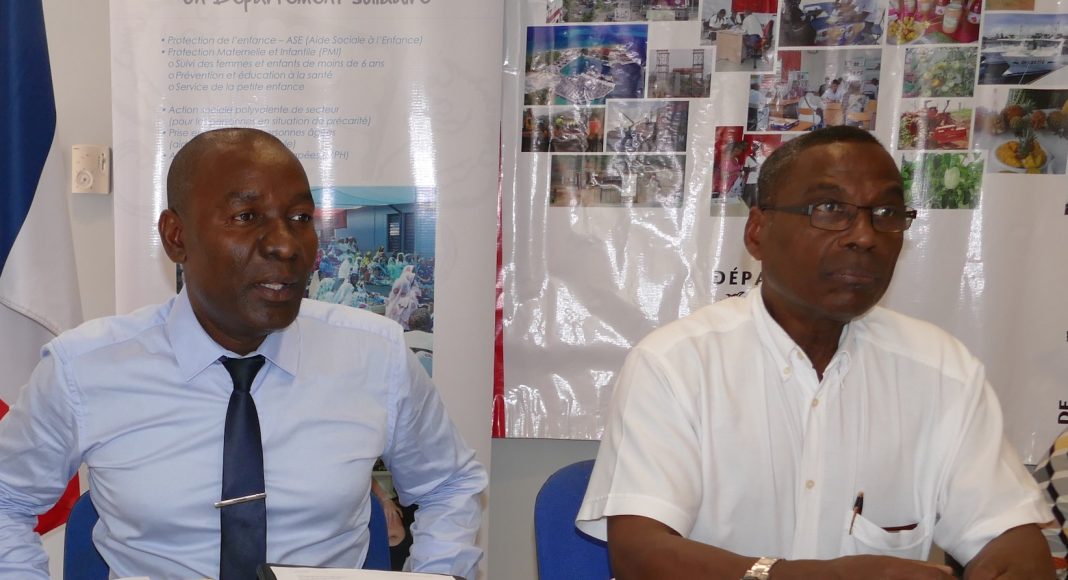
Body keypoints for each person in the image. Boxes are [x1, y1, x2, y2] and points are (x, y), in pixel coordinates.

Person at [0, 128, 487, 580]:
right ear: (176, 237)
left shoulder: (375, 355)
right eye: (246, 217)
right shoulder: (84, 369)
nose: (285, 245)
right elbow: (6, 499)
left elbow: (449, 485)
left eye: (300, 218)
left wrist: (436, 572)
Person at [576, 126, 1054, 579]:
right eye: (829, 208)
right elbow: (640, 554)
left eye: (886, 213)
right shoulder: (676, 365)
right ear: (758, 231)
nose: (864, 236)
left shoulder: (943, 370)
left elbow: (1009, 536)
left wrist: (1008, 562)